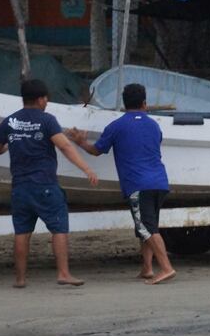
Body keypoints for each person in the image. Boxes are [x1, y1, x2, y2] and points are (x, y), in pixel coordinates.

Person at [0, 79, 98, 288]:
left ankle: (20, 279)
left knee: (22, 232)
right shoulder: (47, 120)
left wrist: (8, 147)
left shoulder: (10, 121)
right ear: (40, 99)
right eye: (46, 98)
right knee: (59, 228)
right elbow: (65, 146)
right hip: (45, 184)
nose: (47, 102)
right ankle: (64, 273)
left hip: (20, 187)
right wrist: (86, 168)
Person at [67, 83, 176, 285]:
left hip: (138, 184)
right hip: (160, 182)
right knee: (147, 227)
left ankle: (166, 268)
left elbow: (97, 151)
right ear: (145, 104)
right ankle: (148, 268)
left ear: (125, 105)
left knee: (147, 228)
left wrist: (80, 141)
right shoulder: (154, 125)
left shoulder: (116, 126)